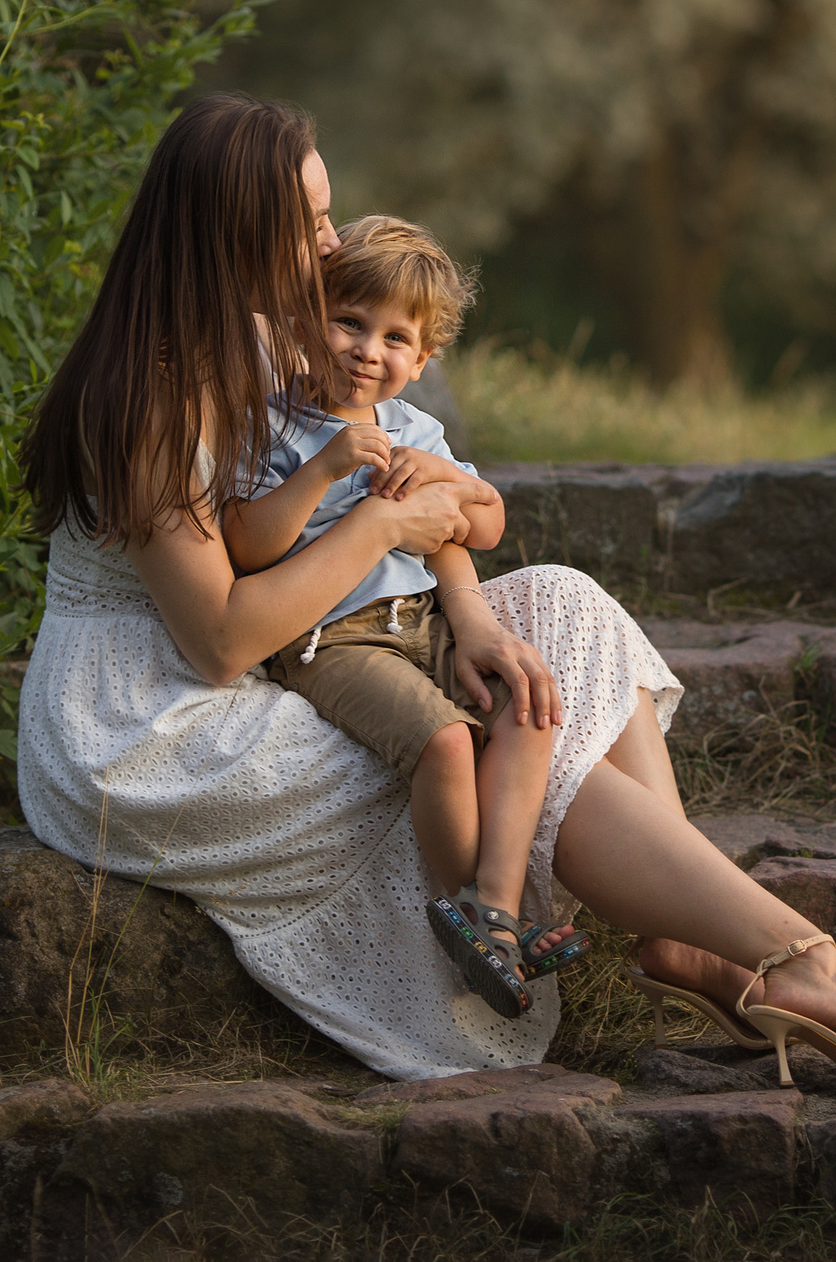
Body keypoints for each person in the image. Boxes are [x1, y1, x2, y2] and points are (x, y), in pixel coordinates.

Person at [14, 92, 836, 1084]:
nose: (332, 239)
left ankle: (686, 940)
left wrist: (466, 609)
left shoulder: (274, 340)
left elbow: (444, 500)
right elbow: (218, 641)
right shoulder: (148, 401)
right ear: (234, 235)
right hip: (156, 719)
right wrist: (384, 524)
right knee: (484, 739)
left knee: (557, 614)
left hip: (315, 630)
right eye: (312, 221)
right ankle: (791, 955)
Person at [223, 214, 583, 1017]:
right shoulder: (270, 422)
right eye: (349, 321)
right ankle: (474, 924)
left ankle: (494, 909)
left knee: (527, 703)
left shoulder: (416, 430)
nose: (367, 350)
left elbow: (487, 525)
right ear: (304, 320)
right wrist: (322, 470)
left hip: (424, 616)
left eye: (395, 338)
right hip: (332, 639)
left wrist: (454, 484)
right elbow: (248, 545)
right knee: (446, 741)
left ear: (422, 361)